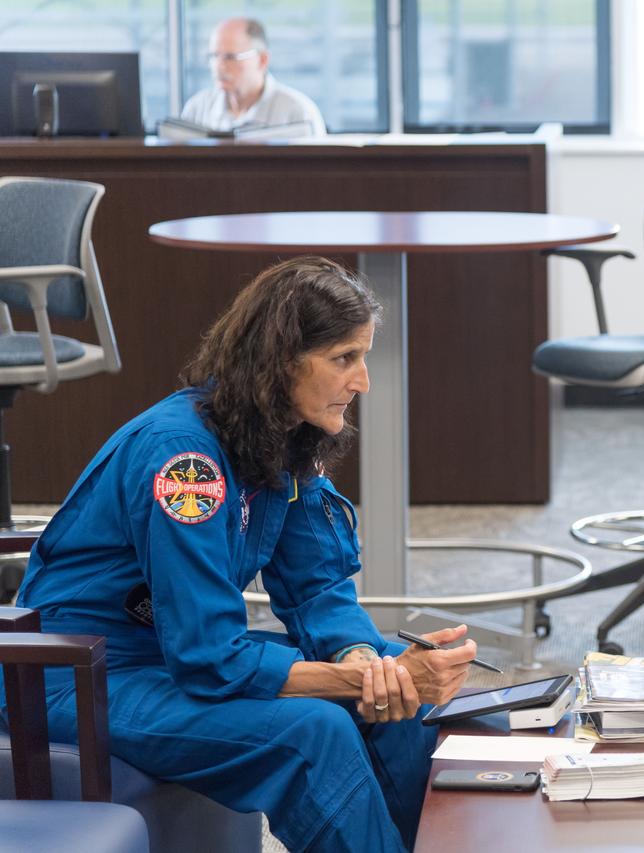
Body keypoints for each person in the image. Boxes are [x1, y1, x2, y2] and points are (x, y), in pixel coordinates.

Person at [5, 257, 472, 852]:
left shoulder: (284, 436)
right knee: (316, 732)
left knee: (399, 695)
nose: (363, 381)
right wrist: (355, 681)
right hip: (80, 674)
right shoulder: (186, 463)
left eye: (363, 357)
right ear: (281, 363)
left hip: (163, 658)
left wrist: (364, 662)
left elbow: (317, 589)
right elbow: (207, 658)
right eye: (344, 359)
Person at [181, 17, 326, 136]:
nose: (219, 66)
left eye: (230, 57)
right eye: (214, 56)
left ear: (262, 60)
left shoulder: (298, 113)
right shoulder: (197, 109)